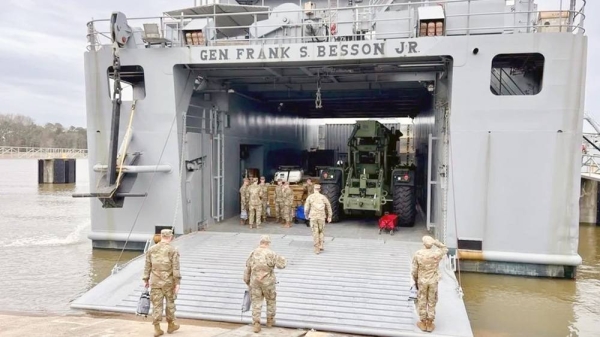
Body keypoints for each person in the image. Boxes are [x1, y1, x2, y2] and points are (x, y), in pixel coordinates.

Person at [243, 235, 287, 333]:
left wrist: (247, 280)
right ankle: (270, 321)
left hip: (255, 282)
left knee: (256, 302)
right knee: (271, 300)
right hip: (268, 282)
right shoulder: (271, 253)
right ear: (268, 243)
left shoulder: (253, 253)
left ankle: (256, 323)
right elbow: (281, 265)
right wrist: (283, 259)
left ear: (260, 242)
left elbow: (248, 268)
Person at [142, 229, 182, 337]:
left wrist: (146, 279)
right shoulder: (173, 250)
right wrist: (177, 283)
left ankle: (157, 328)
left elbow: (147, 266)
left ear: (161, 236)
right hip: (169, 283)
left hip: (155, 282)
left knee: (156, 305)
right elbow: (176, 268)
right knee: (170, 304)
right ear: (170, 237)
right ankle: (171, 325)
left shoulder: (151, 249)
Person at [411, 235, 448, 332]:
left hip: (422, 281)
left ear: (423, 243)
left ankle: (423, 323)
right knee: (432, 301)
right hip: (433, 281)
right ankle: (430, 323)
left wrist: (415, 281)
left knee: (422, 300)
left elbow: (414, 271)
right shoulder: (436, 254)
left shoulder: (418, 254)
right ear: (431, 245)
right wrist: (435, 242)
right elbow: (445, 248)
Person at [304, 184, 332, 254]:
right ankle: (321, 245)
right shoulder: (323, 197)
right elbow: (328, 206)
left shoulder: (310, 197)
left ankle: (317, 248)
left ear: (314, 189)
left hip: (313, 217)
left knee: (315, 232)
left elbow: (306, 208)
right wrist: (329, 216)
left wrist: (306, 215)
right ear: (319, 189)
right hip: (321, 217)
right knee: (321, 231)